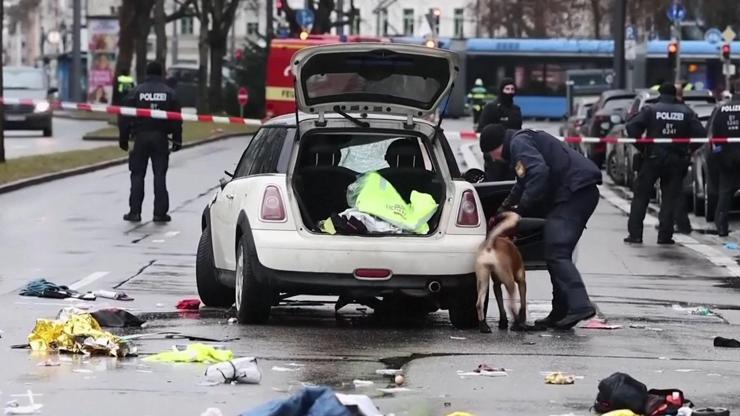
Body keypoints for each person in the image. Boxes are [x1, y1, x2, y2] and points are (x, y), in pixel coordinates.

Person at [479, 124, 602, 330]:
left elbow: (538, 173)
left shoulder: (518, 143)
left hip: (575, 193)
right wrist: (506, 207)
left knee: (557, 251)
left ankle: (580, 305)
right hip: (576, 192)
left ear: (497, 145)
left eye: (491, 154)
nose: (494, 159)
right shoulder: (520, 144)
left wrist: (521, 210)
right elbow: (523, 182)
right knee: (554, 251)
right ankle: (560, 311)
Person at [624, 83, 706, 244]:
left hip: (652, 158)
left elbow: (632, 127)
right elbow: (701, 134)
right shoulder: (686, 112)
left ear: (660, 93)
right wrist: (688, 150)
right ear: (675, 94)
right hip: (676, 160)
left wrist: (642, 147)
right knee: (670, 198)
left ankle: (635, 235)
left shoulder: (651, 110)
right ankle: (665, 236)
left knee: (641, 197)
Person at [119, 61, 182, 223]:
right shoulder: (170, 93)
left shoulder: (136, 92)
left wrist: (124, 138)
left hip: (140, 137)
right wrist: (177, 138)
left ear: (146, 73)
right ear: (161, 73)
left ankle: (135, 212)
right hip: (160, 138)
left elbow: (125, 117)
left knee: (137, 175)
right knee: (160, 175)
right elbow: (176, 119)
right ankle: (159, 213)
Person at [707, 77, 740, 236]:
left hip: (727, 158)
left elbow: (715, 136)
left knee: (725, 194)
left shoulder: (722, 110)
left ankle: (721, 226)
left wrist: (720, 157)